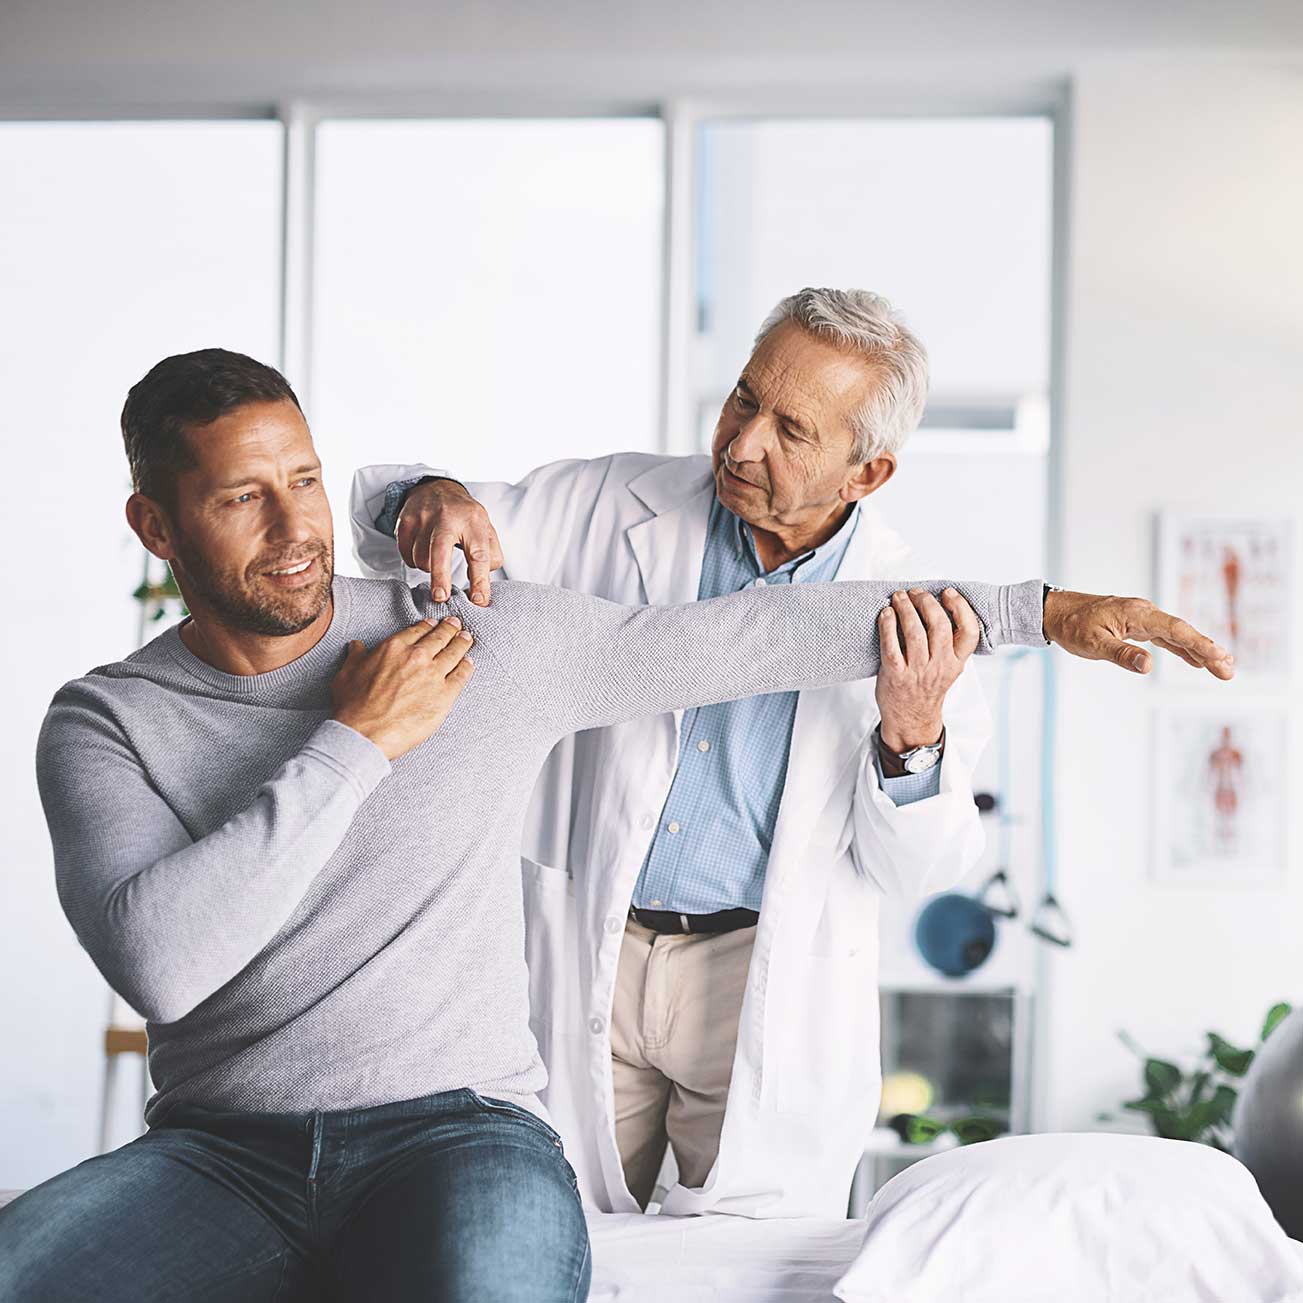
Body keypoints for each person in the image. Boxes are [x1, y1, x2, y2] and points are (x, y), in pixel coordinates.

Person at [351, 287, 1235, 1216]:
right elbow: (405, 529)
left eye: (790, 429)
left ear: (867, 473)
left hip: (756, 974)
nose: (739, 443)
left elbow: (918, 867)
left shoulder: (910, 609)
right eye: (742, 399)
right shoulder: (609, 503)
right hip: (589, 947)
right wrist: (427, 495)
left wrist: (912, 732)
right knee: (545, 1222)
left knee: (732, 1264)